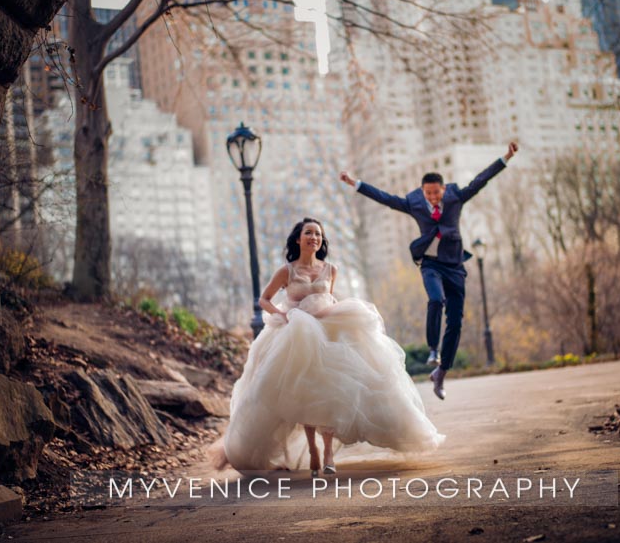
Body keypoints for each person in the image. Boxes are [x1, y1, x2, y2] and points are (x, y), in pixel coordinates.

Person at [214, 217, 445, 477]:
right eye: (309, 233)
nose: (314, 238)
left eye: (318, 234)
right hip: (297, 333)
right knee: (304, 391)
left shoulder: (330, 269)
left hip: (329, 331)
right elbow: (264, 299)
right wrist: (284, 314)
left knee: (333, 391)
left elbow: (329, 298)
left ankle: (327, 452)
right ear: (298, 239)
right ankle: (312, 448)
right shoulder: (286, 271)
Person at [339, 142, 518, 401]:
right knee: (436, 300)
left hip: (455, 265)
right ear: (423, 192)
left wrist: (506, 157)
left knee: (455, 322)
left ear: (443, 190)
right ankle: (433, 349)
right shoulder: (415, 203)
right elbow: (386, 198)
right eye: (428, 194)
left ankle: (441, 373)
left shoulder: (456, 197)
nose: (433, 198)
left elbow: (480, 180)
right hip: (430, 264)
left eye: (436, 193)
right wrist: (355, 183)